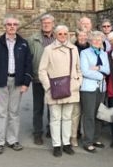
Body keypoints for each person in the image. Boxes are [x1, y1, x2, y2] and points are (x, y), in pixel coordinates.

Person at [0, 16, 32, 155]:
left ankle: (12, 140)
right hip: (1, 82)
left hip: (17, 83)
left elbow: (28, 64)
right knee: (1, 113)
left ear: (17, 26)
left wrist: (26, 83)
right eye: (9, 24)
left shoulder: (23, 43)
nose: (12, 26)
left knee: (14, 113)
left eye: (14, 24)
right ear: (5, 26)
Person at [38, 25, 82, 157]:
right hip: (54, 89)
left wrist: (77, 83)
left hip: (71, 88)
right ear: (55, 35)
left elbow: (78, 69)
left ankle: (66, 143)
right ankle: (56, 145)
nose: (63, 36)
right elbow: (42, 70)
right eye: (60, 34)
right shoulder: (48, 50)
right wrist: (49, 86)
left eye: (65, 34)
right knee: (55, 118)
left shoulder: (73, 49)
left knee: (68, 117)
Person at [80, 31, 110, 152]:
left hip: (102, 88)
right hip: (89, 88)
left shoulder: (104, 54)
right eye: (94, 39)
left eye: (99, 39)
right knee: (89, 115)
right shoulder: (84, 53)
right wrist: (100, 76)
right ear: (90, 41)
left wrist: (98, 68)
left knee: (100, 114)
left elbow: (107, 70)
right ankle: (88, 141)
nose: (97, 41)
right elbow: (85, 71)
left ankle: (96, 138)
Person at [27, 14, 55, 145]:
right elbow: (28, 58)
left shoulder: (58, 38)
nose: (46, 25)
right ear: (41, 24)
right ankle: (37, 133)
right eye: (44, 23)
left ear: (53, 24)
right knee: (38, 107)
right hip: (38, 78)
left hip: (54, 78)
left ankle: (51, 129)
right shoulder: (33, 39)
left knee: (52, 106)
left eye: (48, 23)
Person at [70, 29, 90, 146]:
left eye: (84, 36)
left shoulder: (91, 49)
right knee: (76, 112)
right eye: (80, 36)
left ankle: (85, 134)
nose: (82, 38)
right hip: (76, 84)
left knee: (86, 112)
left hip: (88, 84)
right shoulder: (72, 49)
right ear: (77, 37)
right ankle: (73, 136)